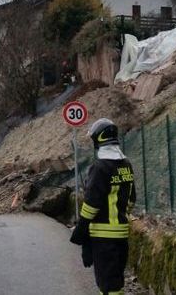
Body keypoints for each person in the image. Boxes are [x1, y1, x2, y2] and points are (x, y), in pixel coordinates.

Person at [70, 118, 136, 295]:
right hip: (121, 234)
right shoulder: (126, 165)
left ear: (99, 140)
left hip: (102, 236)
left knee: (107, 285)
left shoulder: (100, 168)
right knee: (116, 281)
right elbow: (131, 200)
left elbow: (91, 203)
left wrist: (82, 230)